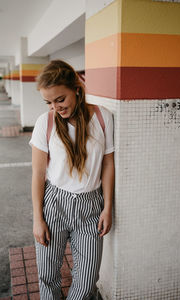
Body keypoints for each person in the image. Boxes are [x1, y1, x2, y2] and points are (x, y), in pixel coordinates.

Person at [29, 60, 115, 300]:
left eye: (60, 99)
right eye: (49, 102)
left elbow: (108, 164)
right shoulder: (44, 123)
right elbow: (37, 174)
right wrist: (38, 219)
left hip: (90, 206)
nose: (56, 107)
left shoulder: (102, 117)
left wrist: (107, 208)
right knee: (48, 277)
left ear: (77, 89)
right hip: (54, 204)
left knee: (87, 281)